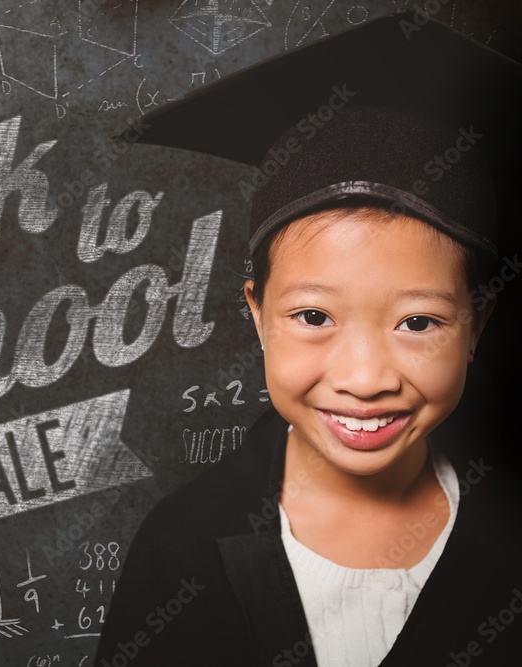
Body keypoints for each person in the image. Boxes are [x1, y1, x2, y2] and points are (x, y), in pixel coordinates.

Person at [96, 11, 522, 667]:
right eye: (315, 317)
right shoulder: (182, 550)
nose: (364, 375)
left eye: (418, 322)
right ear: (258, 313)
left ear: (478, 326)